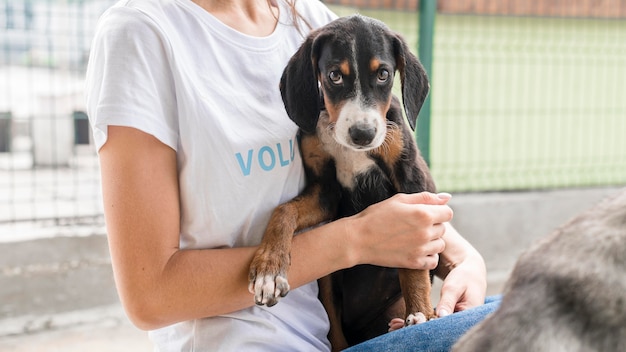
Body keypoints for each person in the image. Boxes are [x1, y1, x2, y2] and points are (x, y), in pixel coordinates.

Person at [85, 0, 499, 350]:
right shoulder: (142, 34)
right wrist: (355, 240)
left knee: (531, 309)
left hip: (355, 335)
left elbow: (391, 185)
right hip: (248, 342)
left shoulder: (305, 16)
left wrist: (464, 259)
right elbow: (150, 296)